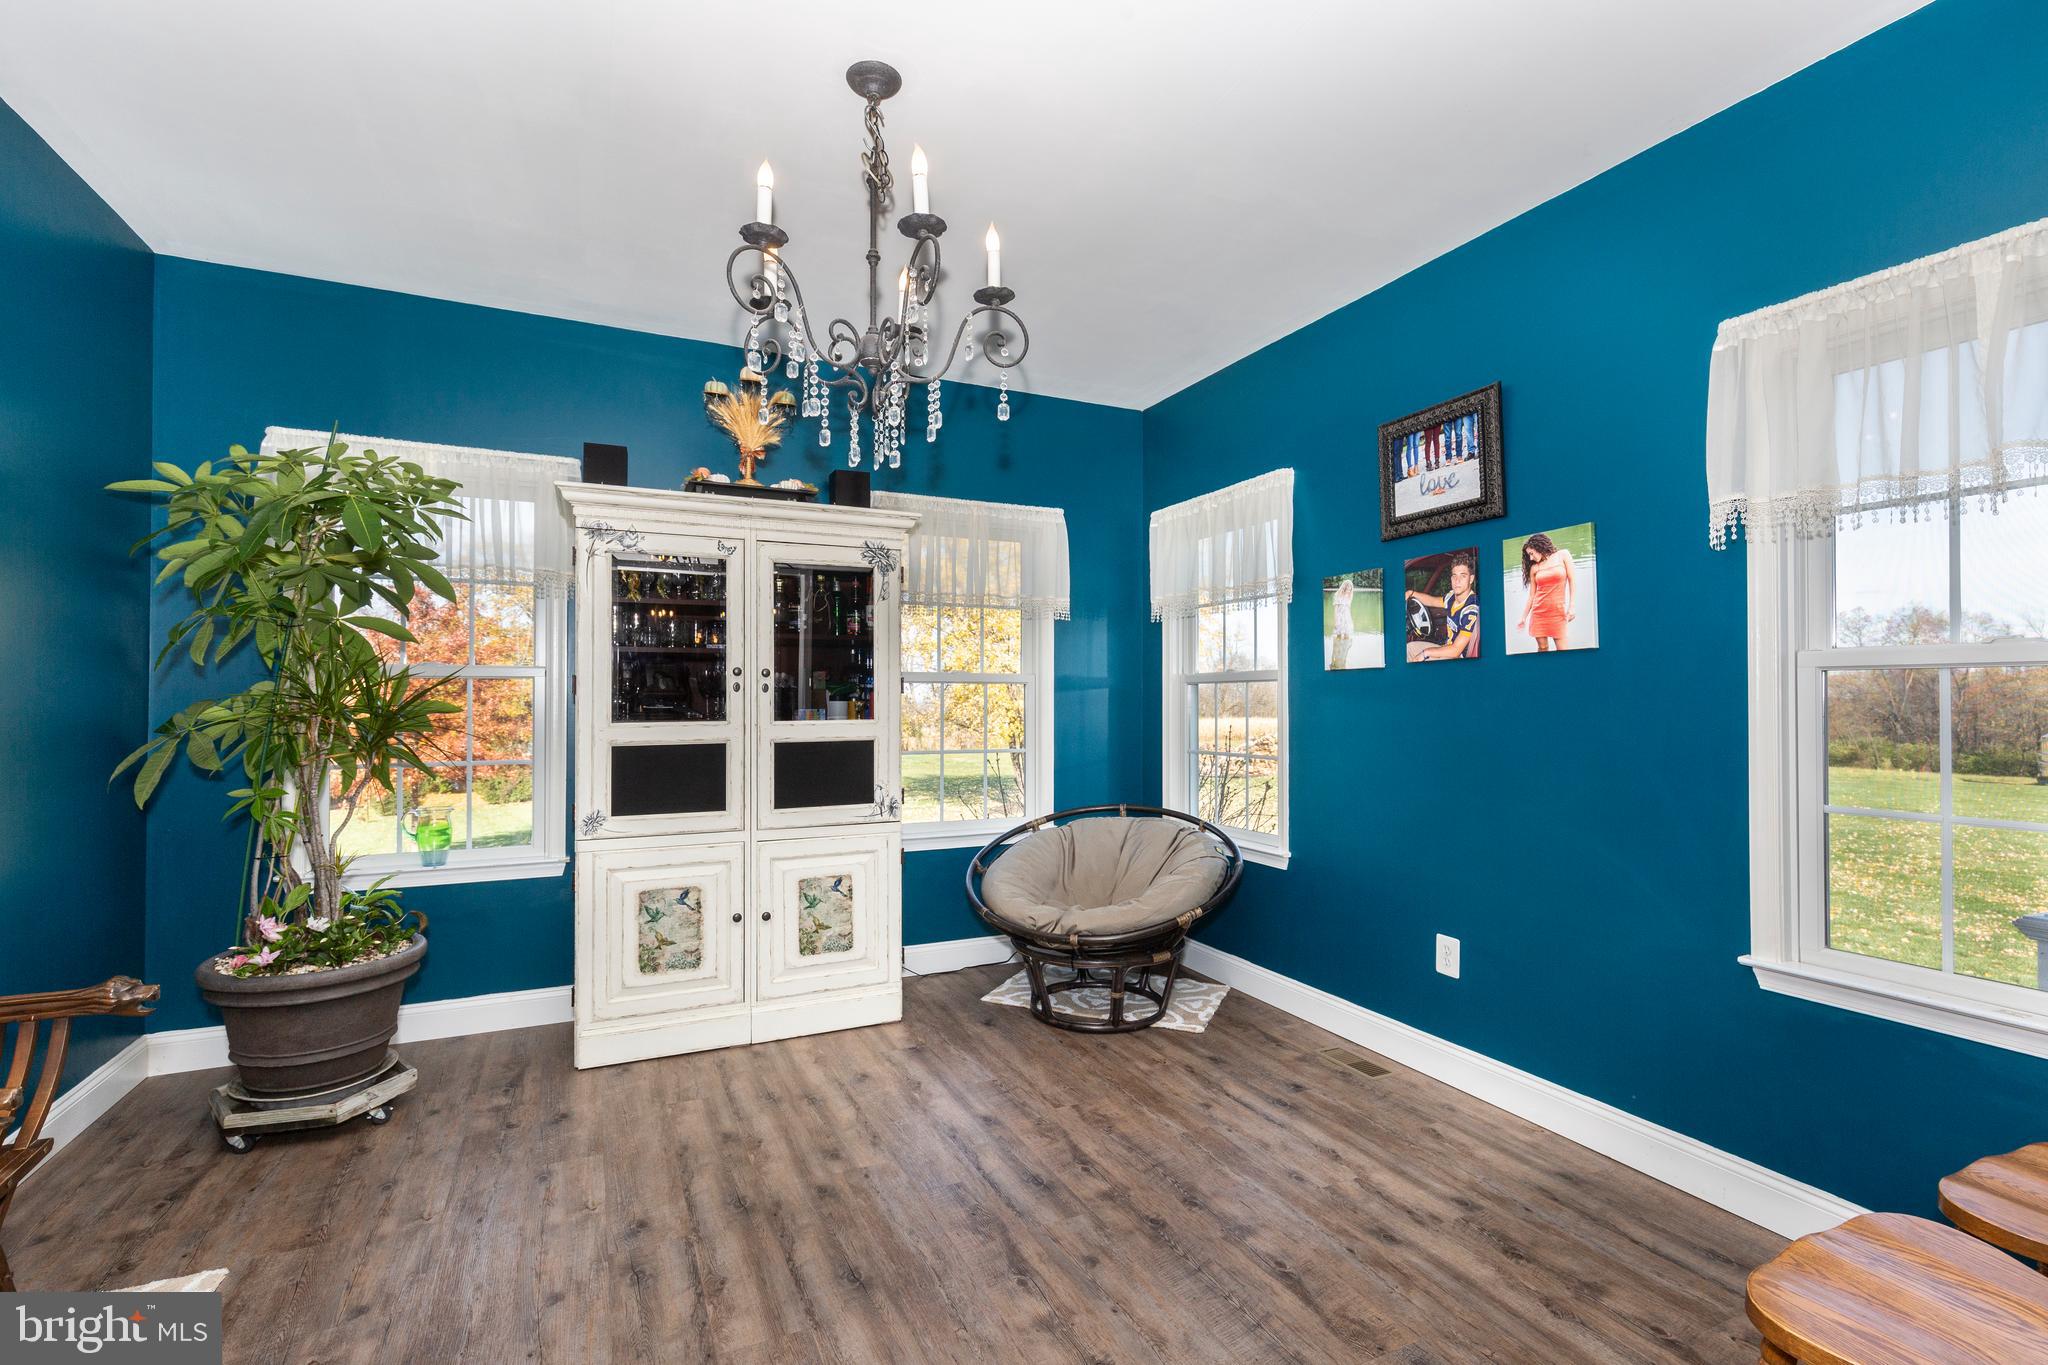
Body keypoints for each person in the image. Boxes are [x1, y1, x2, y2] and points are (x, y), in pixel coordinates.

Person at [1406, 555, 1480, 661]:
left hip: (1458, 658)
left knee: (1422, 658)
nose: (1457, 580)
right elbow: (1432, 601)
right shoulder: (1451, 598)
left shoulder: (1471, 609)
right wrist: (1411, 593)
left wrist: (1425, 653)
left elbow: (1456, 650)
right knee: (1409, 649)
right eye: (1454, 576)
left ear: (1471, 579)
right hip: (1446, 647)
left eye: (1463, 576)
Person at [1515, 531, 1575, 651]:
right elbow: (1532, 596)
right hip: (1539, 614)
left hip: (1558, 612)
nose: (1531, 558)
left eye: (1531, 553)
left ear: (1539, 546)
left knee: (1563, 650)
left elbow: (1572, 581)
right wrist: (1523, 617)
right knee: (1543, 648)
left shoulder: (1563, 555)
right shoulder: (1534, 568)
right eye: (1529, 556)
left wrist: (1572, 606)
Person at [1328, 577, 1356, 668]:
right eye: (1347, 589)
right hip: (1340, 617)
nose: (1349, 590)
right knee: (1339, 637)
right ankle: (1334, 658)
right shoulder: (1338, 595)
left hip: (1347, 617)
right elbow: (1335, 610)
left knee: (1347, 637)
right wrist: (1336, 621)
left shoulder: (1350, 596)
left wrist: (1350, 619)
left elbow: (1349, 609)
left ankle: (1344, 658)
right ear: (1344, 587)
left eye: (1350, 589)